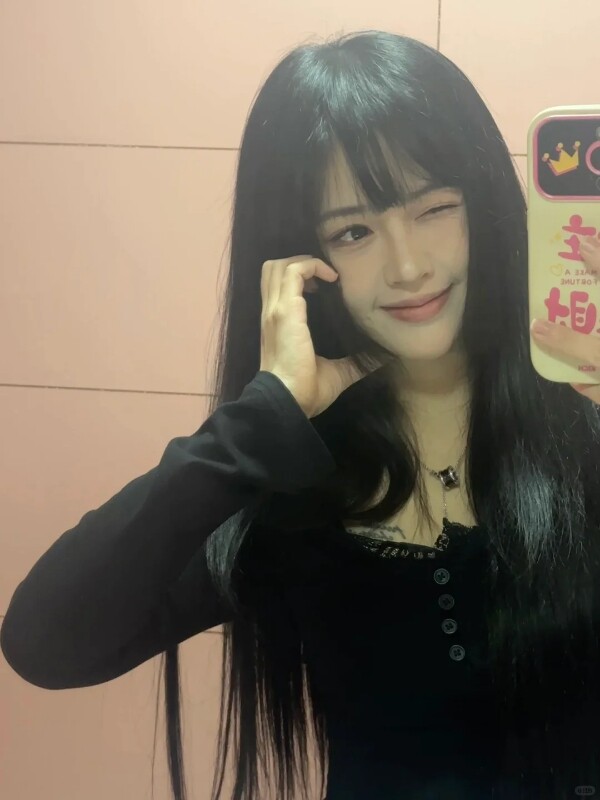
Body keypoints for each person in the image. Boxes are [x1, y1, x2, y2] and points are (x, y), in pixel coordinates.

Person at [3, 29, 600, 800]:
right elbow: (47, 644)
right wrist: (255, 426)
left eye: (434, 207)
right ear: (298, 260)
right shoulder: (280, 470)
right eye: (353, 231)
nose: (408, 266)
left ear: (484, 205)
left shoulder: (581, 416)